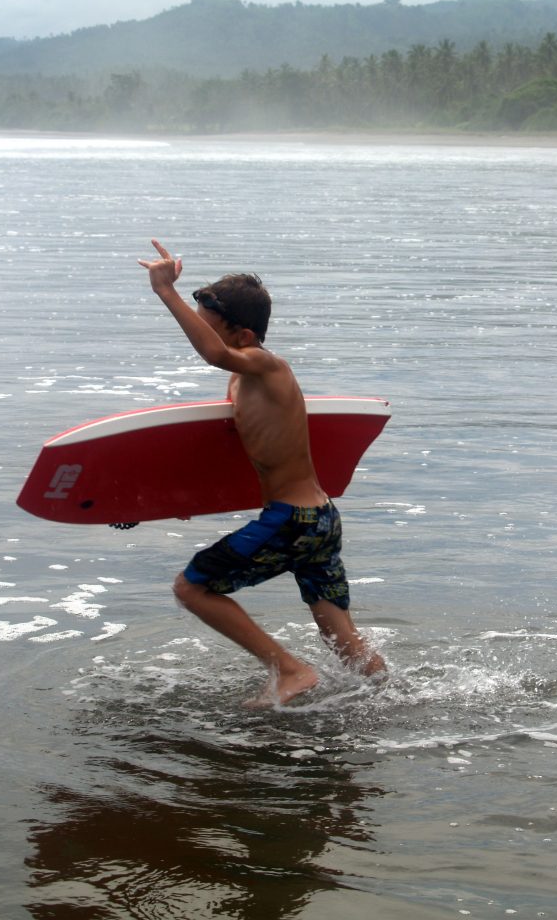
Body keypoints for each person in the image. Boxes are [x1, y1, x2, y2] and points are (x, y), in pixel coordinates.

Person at [138, 240, 386, 706]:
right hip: (319, 519)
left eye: (208, 326)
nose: (202, 334)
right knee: (336, 626)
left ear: (245, 337)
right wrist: (182, 501)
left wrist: (165, 292)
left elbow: (214, 354)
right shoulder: (246, 383)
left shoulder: (265, 366)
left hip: (292, 519)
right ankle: (390, 697)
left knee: (192, 587)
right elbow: (258, 453)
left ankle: (289, 670)